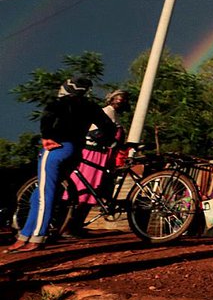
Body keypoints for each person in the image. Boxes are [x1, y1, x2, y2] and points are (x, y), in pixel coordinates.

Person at [7, 77, 116, 253]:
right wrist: (104, 141)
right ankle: (24, 236)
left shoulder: (60, 103)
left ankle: (36, 237)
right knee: (38, 195)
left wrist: (47, 137)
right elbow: (109, 127)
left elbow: (47, 118)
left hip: (56, 149)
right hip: (75, 151)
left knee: (44, 193)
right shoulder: (90, 106)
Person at [64, 89, 130, 237]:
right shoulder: (107, 112)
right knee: (86, 189)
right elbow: (96, 134)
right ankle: (69, 227)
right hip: (93, 154)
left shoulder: (113, 114)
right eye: (118, 100)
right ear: (111, 100)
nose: (121, 103)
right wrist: (112, 143)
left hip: (102, 155)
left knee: (92, 190)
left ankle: (76, 225)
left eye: (123, 100)